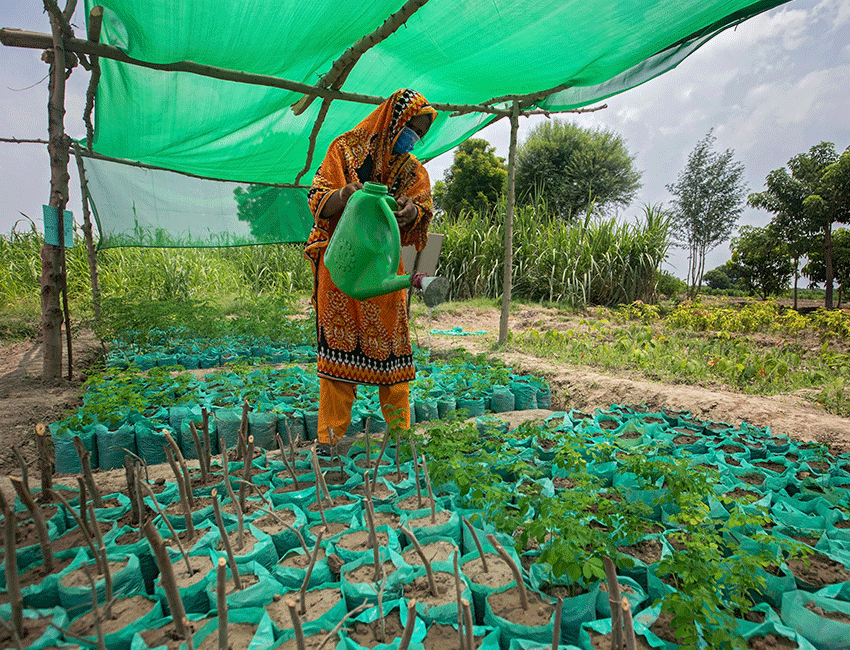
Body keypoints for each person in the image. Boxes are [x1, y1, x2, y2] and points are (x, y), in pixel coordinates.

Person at [304, 88, 437, 454]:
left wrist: (410, 212)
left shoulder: (412, 170)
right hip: (343, 265)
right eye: (413, 128)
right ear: (394, 120)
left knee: (392, 356)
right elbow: (317, 198)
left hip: (382, 272)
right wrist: (345, 195)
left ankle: (401, 436)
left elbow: (422, 213)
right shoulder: (344, 150)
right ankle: (329, 440)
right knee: (337, 356)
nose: (415, 139)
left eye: (422, 134)